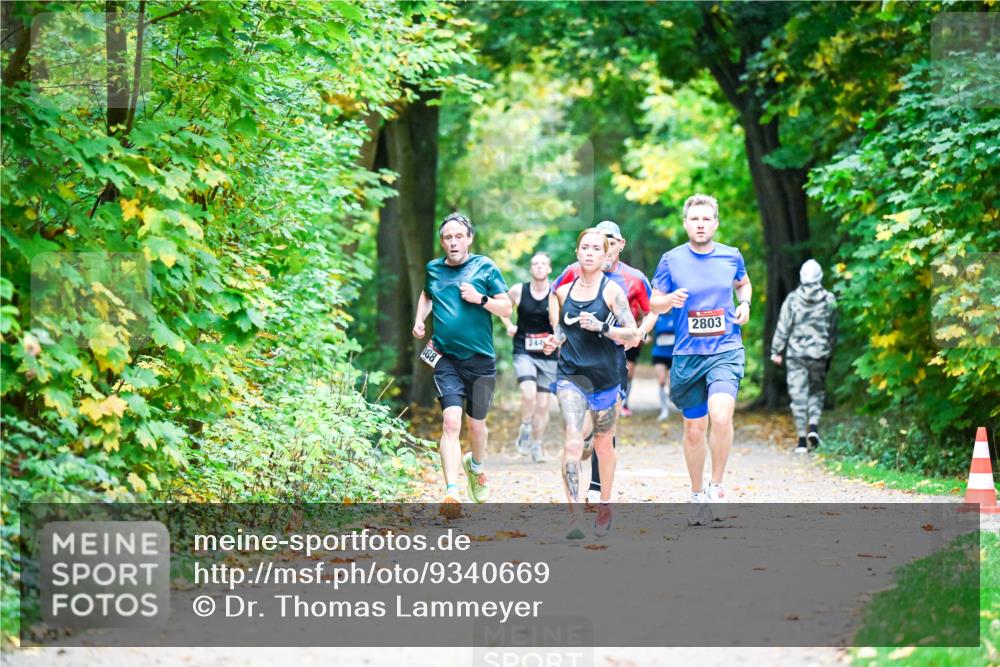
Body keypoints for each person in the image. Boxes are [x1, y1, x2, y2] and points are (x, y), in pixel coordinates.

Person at [650, 194, 751, 526]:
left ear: (716, 223)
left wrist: (745, 304)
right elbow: (654, 304)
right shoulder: (671, 260)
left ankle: (717, 486)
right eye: (694, 219)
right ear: (685, 223)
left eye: (707, 219)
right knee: (695, 428)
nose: (701, 224)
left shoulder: (731, 256)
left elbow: (743, 284)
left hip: (725, 348)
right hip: (687, 355)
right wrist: (669, 299)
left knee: (720, 416)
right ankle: (696, 494)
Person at [544, 228, 642, 539]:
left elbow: (633, 334)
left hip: (606, 378)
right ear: (577, 253)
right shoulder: (563, 293)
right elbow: (563, 331)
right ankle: (574, 517)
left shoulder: (612, 291)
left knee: (602, 444)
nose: (589, 253)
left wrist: (602, 327)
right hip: (572, 377)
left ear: (605, 255)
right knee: (573, 440)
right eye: (584, 247)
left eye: (595, 249)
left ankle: (605, 504)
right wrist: (552, 341)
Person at [412, 213, 512, 516]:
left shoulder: (485, 267)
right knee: (451, 422)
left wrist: (481, 299)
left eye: (458, 236)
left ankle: (476, 466)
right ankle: (451, 493)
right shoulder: (434, 269)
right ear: (442, 241)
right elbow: (427, 295)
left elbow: (506, 306)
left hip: (480, 361)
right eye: (447, 237)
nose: (453, 242)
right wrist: (419, 319)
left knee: (476, 426)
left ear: (469, 238)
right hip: (446, 359)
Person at [770, 259, 837, 453]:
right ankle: (814, 427)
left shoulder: (793, 299)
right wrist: (830, 349)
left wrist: (776, 351)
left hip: (796, 354)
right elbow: (833, 329)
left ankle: (801, 441)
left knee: (798, 396)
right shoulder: (829, 299)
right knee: (817, 392)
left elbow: (783, 326)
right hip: (819, 354)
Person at [500, 252, 556, 463]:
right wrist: (509, 326)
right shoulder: (518, 290)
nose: (539, 267)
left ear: (549, 269)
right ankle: (525, 427)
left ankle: (537, 446)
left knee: (543, 405)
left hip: (549, 354)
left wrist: (557, 338)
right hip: (524, 350)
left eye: (543, 263)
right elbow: (502, 307)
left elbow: (562, 321)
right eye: (535, 264)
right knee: (528, 393)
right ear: (531, 269)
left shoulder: (555, 293)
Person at [651, 312, 677, 421]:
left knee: (672, 382)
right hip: (659, 353)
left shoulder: (676, 315)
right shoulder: (656, 316)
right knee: (661, 381)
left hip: (673, 353)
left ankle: (673, 395)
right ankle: (664, 410)